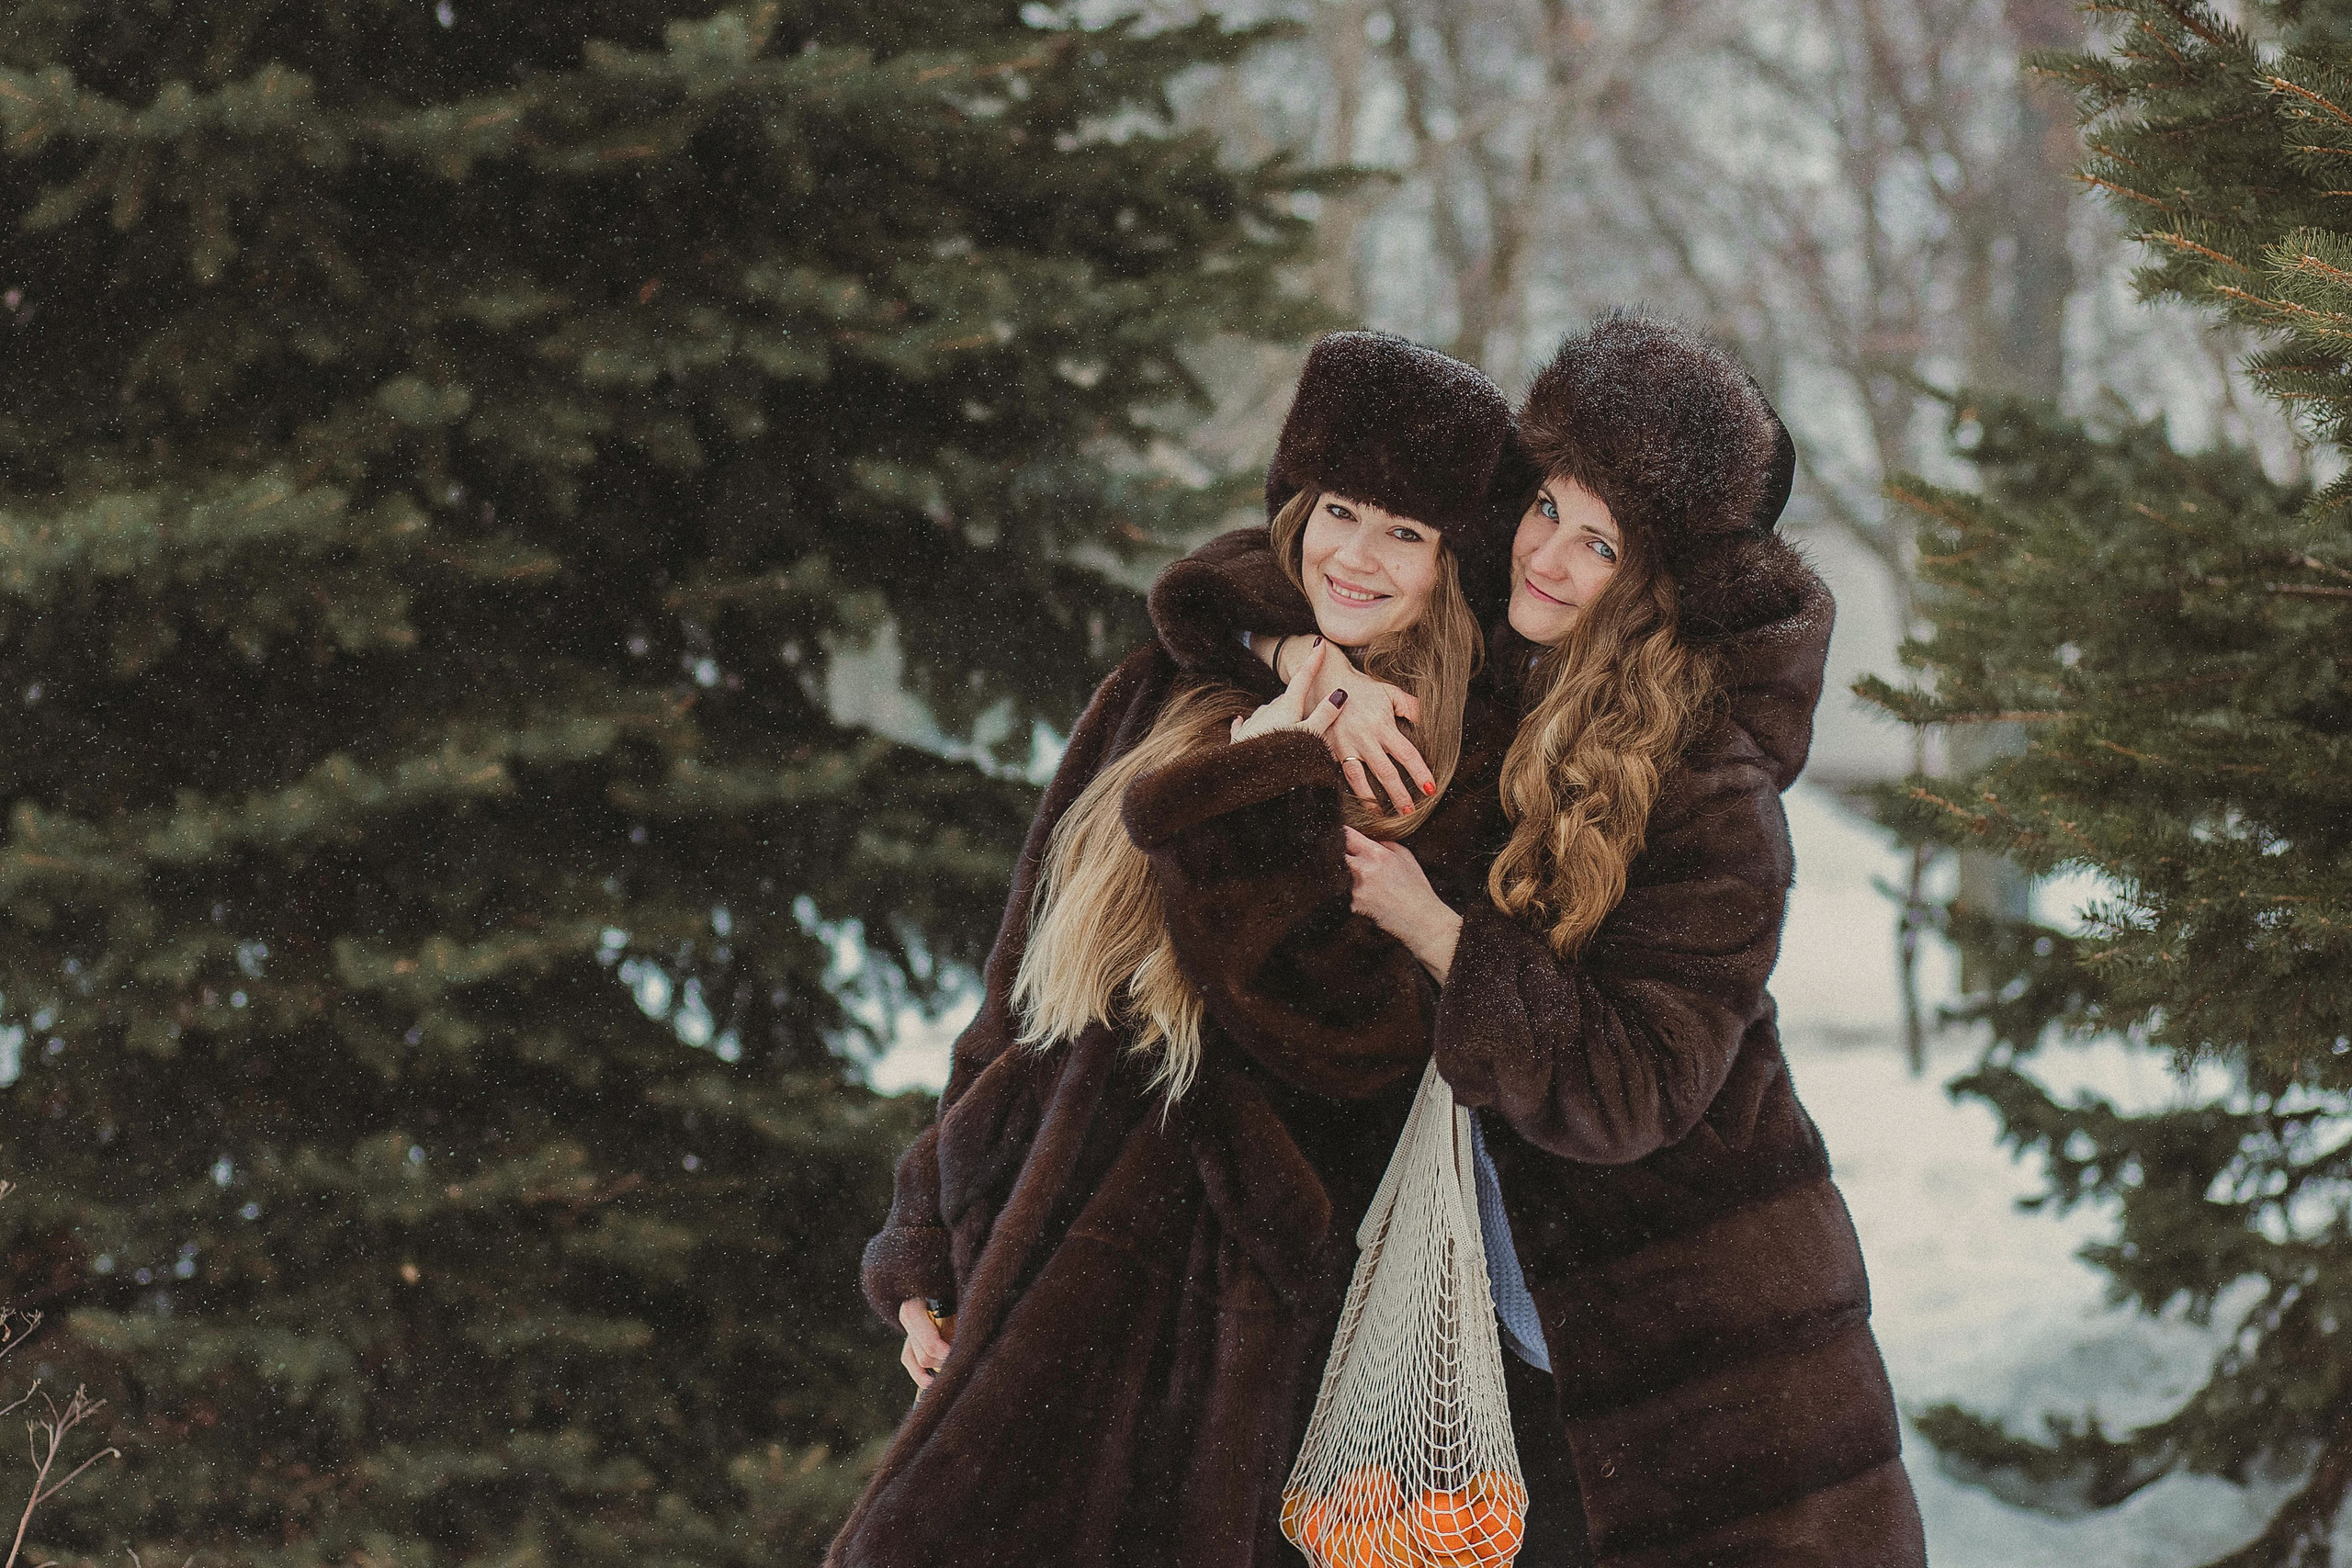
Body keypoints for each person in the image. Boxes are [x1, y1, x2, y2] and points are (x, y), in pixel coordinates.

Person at [1154, 311, 1928, 1566]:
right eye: (1547, 507)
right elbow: (1238, 578)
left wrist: (1438, 931)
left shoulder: (1711, 791)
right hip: (1508, 1328)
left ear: (1658, 581)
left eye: (1600, 543)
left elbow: (1635, 1088)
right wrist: (1308, 656)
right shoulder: (1506, 657)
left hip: (1695, 1358)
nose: (1550, 557)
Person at [827, 331, 1518, 1568]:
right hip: (1039, 1237)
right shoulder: (1154, 693)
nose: (1357, 556)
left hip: (1240, 1312)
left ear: (1450, 562)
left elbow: (1357, 1040)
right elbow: (1016, 1000)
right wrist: (926, 1231)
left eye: (1404, 533)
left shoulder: (1452, 759)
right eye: (1340, 512)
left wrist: (1268, 783)